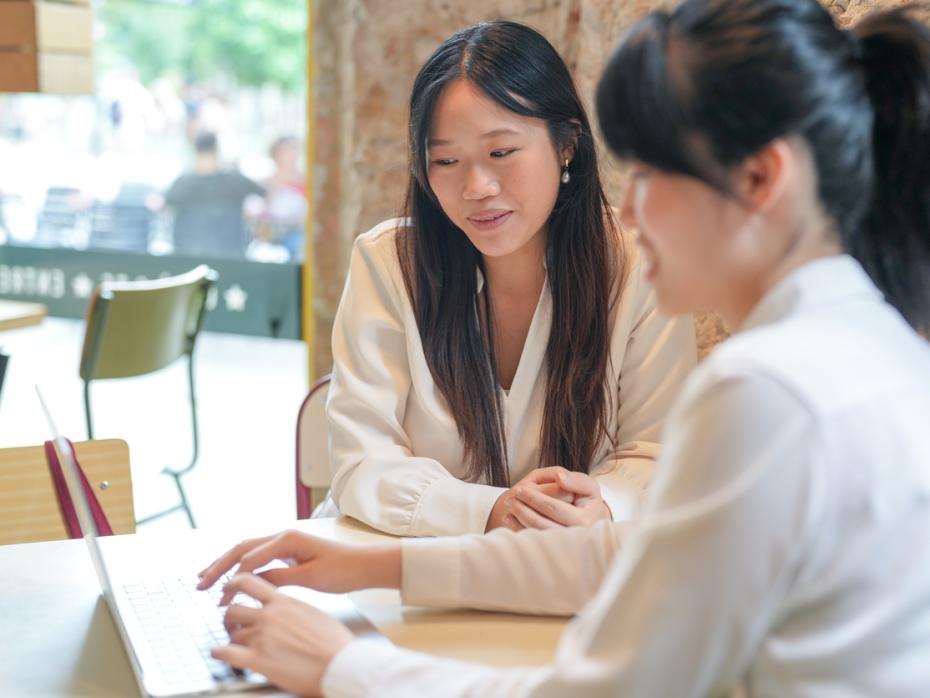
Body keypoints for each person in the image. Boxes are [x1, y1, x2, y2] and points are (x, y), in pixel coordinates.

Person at [198, 0, 930, 695]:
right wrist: (375, 564)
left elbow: (607, 685)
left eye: (649, 175)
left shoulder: (768, 391)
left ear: (761, 177)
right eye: (445, 160)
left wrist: (343, 667)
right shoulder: (872, 346)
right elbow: (623, 564)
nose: (631, 210)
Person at [320, 20, 697, 536]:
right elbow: (361, 459)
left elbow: (655, 451)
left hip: (564, 569)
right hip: (396, 565)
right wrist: (493, 512)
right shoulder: (389, 263)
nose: (476, 186)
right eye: (446, 160)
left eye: (501, 152)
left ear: (566, 143)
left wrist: (604, 503)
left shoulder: (637, 264)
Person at [164, 131, 264, 258]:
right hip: (231, 256)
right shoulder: (236, 180)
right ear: (217, 150)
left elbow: (163, 206)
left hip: (189, 255)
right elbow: (264, 196)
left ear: (195, 150)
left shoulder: (182, 183)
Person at [256, 135, 308, 260]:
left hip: (297, 235)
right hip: (272, 235)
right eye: (286, 151)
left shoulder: (305, 181)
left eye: (294, 150)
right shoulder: (267, 182)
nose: (291, 156)